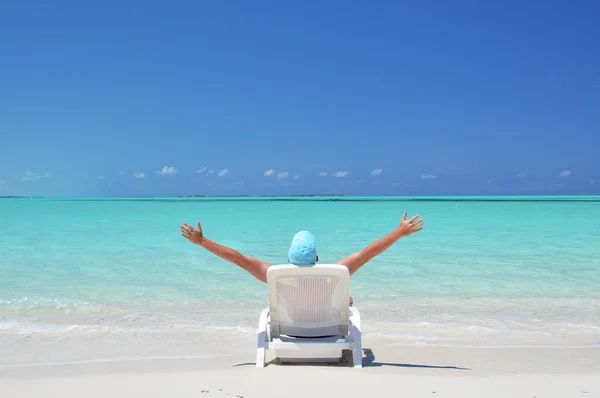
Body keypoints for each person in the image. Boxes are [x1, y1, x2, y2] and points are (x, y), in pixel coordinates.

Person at [179, 211, 424, 295]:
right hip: (326, 330)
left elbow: (238, 259)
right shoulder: (335, 274)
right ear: (316, 257)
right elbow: (367, 253)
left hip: (289, 331)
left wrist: (202, 242)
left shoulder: (274, 274)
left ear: (288, 257)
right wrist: (399, 233)